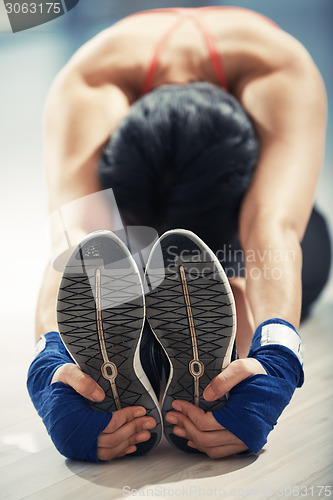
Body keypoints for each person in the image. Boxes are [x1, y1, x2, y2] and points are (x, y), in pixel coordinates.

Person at [27, 6, 331, 462]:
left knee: (295, 247)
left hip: (230, 232)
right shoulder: (88, 88)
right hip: (137, 234)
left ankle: (226, 304)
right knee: (103, 257)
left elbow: (272, 225)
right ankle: (217, 314)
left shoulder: (281, 72)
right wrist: (48, 364)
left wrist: (279, 356)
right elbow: (74, 248)